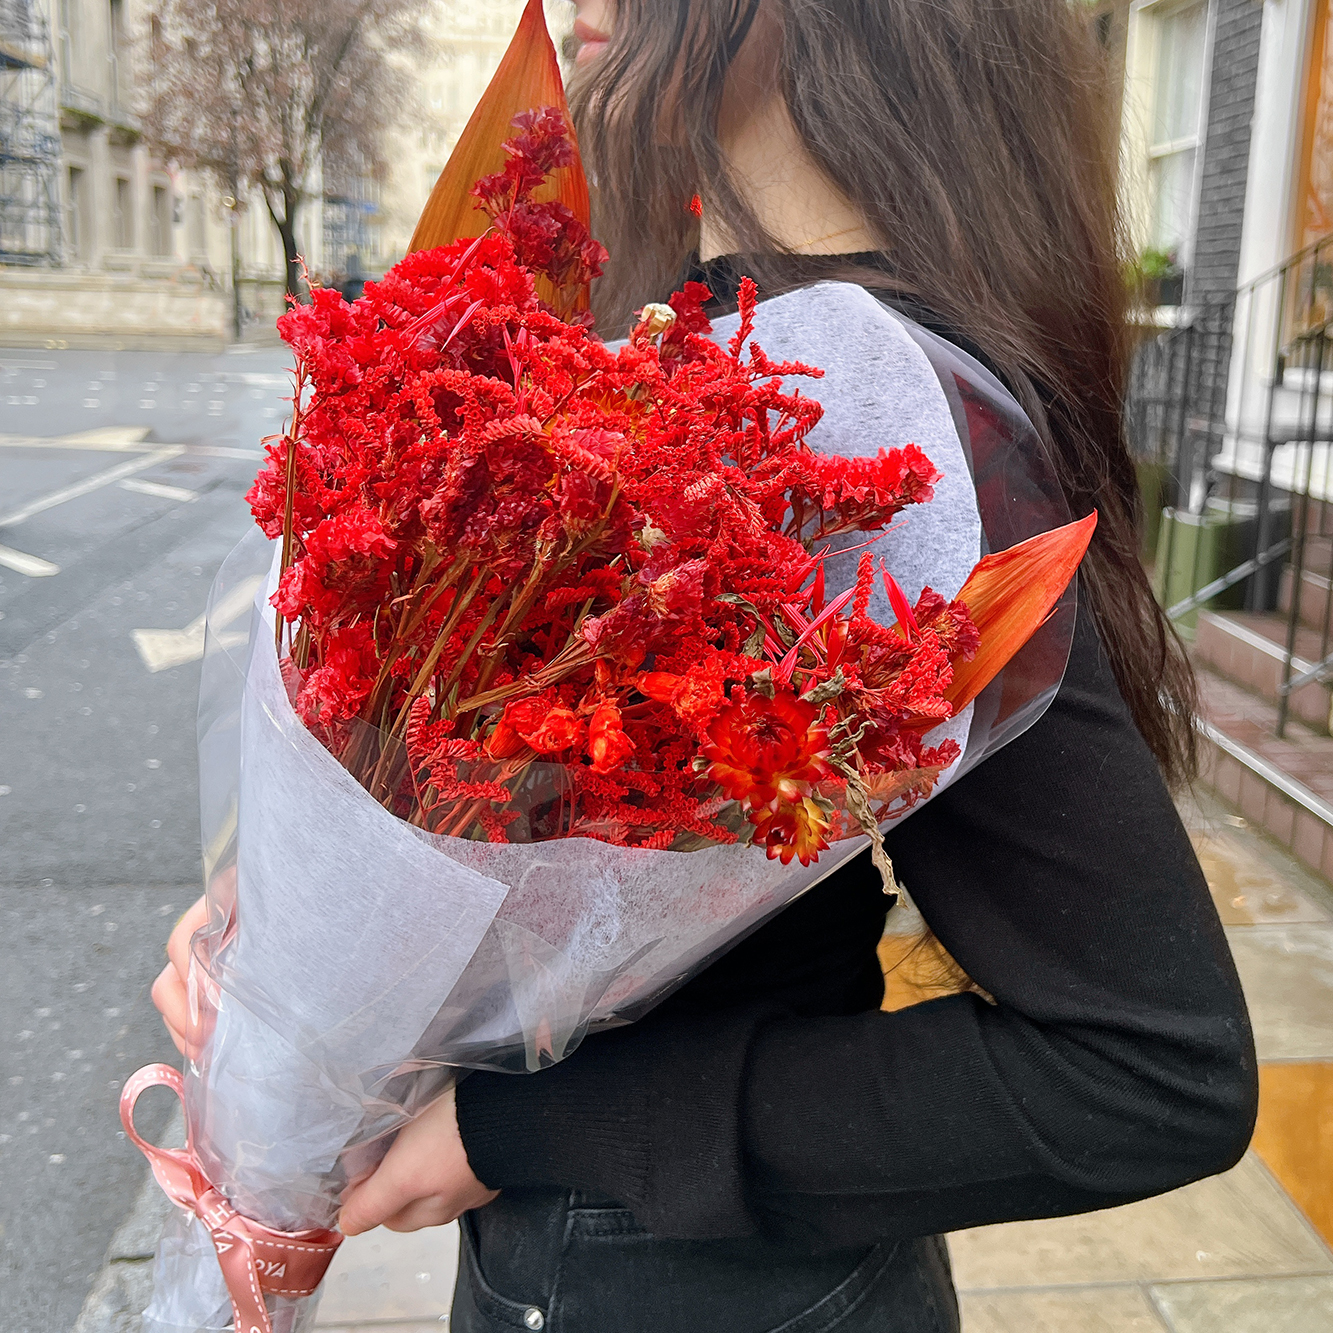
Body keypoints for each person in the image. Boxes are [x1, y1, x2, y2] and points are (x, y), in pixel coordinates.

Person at [154, 2, 1258, 1329]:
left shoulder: (886, 427)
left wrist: (519, 1128)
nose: (593, 8)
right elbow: (458, 763)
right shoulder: (673, 351)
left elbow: (1144, 1069)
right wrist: (268, 933)